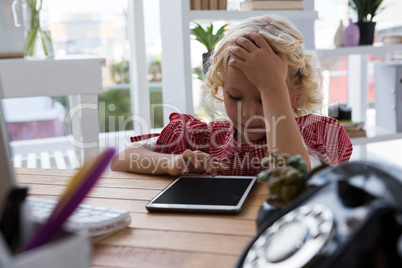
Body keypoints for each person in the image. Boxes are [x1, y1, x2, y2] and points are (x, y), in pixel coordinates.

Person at [111, 15, 353, 176]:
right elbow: (123, 158)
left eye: (262, 99)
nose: (247, 113)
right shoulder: (206, 139)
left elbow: (295, 175)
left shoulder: (319, 135)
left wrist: (273, 87)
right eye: (235, 97)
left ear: (294, 95)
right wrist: (173, 163)